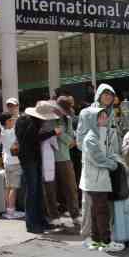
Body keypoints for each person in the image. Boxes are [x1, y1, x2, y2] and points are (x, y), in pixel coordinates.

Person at [76, 84, 120, 241]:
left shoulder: (112, 113)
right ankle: (92, 233)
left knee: (105, 202)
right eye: (105, 93)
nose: (108, 96)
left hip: (110, 161)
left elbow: (114, 139)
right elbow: (80, 140)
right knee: (92, 202)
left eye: (111, 94)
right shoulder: (87, 112)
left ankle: (104, 232)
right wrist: (94, 154)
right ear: (99, 94)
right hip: (93, 163)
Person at [79, 107, 124, 252]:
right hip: (95, 179)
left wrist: (114, 161)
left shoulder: (101, 134)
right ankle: (106, 242)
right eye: (101, 116)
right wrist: (113, 165)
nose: (105, 118)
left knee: (96, 210)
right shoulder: (91, 137)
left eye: (105, 116)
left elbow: (108, 153)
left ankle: (96, 240)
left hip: (97, 179)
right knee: (102, 210)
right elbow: (98, 158)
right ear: (93, 120)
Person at [15, 101, 61, 234]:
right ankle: (32, 224)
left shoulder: (27, 121)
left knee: (37, 191)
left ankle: (40, 221)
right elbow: (32, 139)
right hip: (29, 159)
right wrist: (52, 132)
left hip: (32, 158)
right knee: (33, 191)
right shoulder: (29, 122)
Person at [55, 96, 81, 227]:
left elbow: (71, 139)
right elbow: (68, 139)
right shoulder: (51, 118)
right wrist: (66, 139)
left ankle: (75, 215)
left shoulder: (68, 119)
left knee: (71, 188)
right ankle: (55, 215)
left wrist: (62, 136)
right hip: (50, 157)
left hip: (65, 157)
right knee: (53, 189)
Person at [0, 112, 25, 220]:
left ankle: (9, 210)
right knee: (14, 187)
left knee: (8, 187)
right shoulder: (13, 132)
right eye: (11, 120)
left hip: (6, 162)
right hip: (15, 162)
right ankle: (11, 212)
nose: (13, 121)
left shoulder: (2, 132)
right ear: (7, 121)